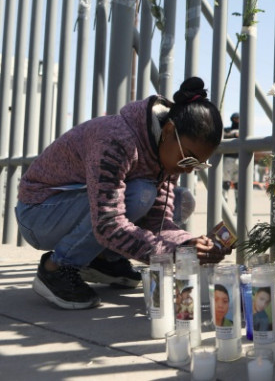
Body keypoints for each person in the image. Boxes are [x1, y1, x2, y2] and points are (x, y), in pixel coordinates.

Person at [16, 77, 230, 310]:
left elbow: (158, 222)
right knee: (142, 194)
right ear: (169, 130)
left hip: (76, 210)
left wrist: (188, 245)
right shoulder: (117, 140)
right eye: (188, 158)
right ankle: (56, 269)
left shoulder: (165, 150)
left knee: (181, 199)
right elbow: (108, 223)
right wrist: (174, 253)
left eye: (198, 164)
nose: (189, 168)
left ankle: (103, 260)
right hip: (39, 214)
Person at [222, 112, 240, 207]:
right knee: (226, 182)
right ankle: (225, 205)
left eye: (238, 118)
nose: (237, 120)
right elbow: (223, 136)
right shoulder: (227, 130)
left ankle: (237, 206)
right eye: (235, 118)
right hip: (228, 158)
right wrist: (234, 135)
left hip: (239, 158)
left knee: (238, 183)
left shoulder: (244, 130)